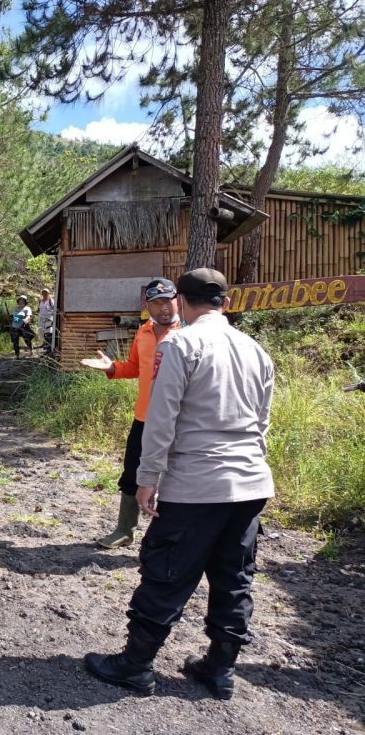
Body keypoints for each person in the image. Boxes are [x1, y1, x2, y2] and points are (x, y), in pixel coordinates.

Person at [84, 268, 275, 701]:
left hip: (195, 483)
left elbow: (162, 417)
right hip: (250, 483)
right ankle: (221, 670)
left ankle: (135, 666)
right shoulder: (256, 349)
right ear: (225, 303)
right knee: (234, 578)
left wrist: (147, 478)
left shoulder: (181, 344)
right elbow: (262, 422)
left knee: (166, 572)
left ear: (184, 304)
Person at [80, 278, 180, 549]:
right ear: (147, 306)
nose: (163, 308)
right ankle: (125, 530)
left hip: (179, 421)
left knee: (176, 477)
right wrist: (112, 367)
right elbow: (135, 367)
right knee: (132, 472)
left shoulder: (190, 333)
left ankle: (174, 535)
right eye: (156, 302)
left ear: (177, 300)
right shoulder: (143, 333)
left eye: (167, 301)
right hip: (144, 417)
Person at [38, 288, 56, 353]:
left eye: (46, 293)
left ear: (48, 293)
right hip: (41, 319)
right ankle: (44, 344)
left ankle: (48, 346)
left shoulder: (51, 301)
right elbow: (39, 309)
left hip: (49, 319)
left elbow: (54, 309)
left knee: (48, 332)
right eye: (43, 293)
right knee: (41, 331)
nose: (44, 294)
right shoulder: (40, 301)